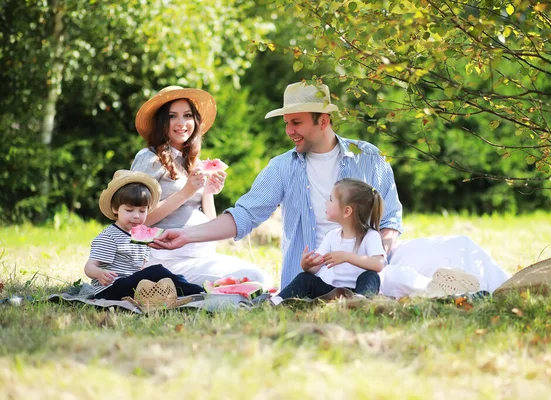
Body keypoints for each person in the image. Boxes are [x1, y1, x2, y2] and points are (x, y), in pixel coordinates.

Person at [151, 81, 404, 289]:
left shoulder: (367, 157)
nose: (288, 131)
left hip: (365, 276)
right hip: (309, 280)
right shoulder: (282, 167)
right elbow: (243, 216)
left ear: (323, 121)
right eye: (286, 123)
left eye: (296, 122)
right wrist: (185, 236)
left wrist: (371, 261)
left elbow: (390, 221)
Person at [130, 86, 272, 286]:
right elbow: (136, 220)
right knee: (255, 281)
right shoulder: (149, 158)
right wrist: (186, 192)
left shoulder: (192, 163)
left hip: (201, 255)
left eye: (187, 115)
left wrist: (207, 193)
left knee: (261, 277)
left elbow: (209, 223)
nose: (181, 123)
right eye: (172, 116)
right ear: (162, 122)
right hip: (164, 259)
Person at [84, 170, 204, 300]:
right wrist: (99, 273)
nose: (136, 216)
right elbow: (89, 267)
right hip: (110, 289)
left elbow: (139, 270)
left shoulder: (142, 237)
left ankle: (183, 290)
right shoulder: (109, 236)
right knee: (156, 271)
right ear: (115, 209)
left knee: (173, 277)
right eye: (129, 210)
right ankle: (197, 292)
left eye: (142, 211)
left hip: (132, 287)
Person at [271, 178, 385, 304]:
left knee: (371, 276)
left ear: (346, 211)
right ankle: (277, 301)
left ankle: (358, 303)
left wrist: (346, 256)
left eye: (331, 199)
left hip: (358, 291)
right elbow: (316, 267)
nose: (326, 203)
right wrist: (307, 265)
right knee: (305, 278)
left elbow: (378, 264)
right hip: (334, 292)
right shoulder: (332, 236)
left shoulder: (370, 236)